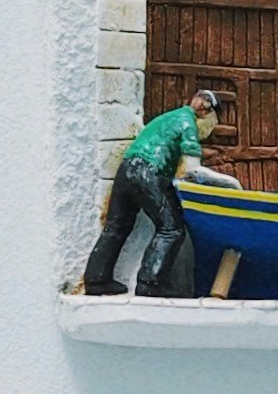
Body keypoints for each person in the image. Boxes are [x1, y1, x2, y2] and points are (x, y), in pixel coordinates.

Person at [79, 87, 229, 299]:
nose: (210, 130)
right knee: (171, 228)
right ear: (206, 112)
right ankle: (150, 283)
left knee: (116, 226)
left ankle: (96, 279)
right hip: (148, 172)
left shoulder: (169, 117)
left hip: (127, 169)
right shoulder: (188, 122)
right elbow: (192, 169)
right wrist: (230, 182)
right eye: (213, 123)